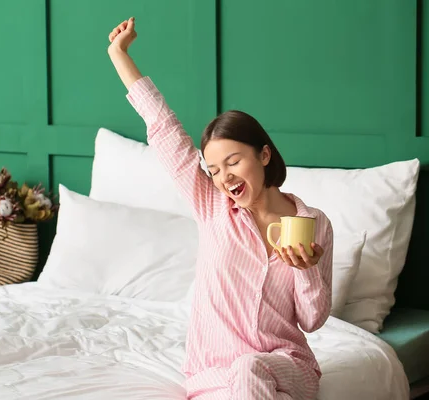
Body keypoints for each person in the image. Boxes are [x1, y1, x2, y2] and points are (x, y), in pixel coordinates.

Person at [107, 17, 333, 400]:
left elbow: (312, 322)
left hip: (288, 365)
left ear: (263, 154)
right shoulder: (212, 204)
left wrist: (307, 272)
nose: (223, 177)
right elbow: (163, 128)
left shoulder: (311, 222)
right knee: (249, 377)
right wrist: (118, 54)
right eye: (213, 170)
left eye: (232, 162)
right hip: (214, 373)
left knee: (252, 368)